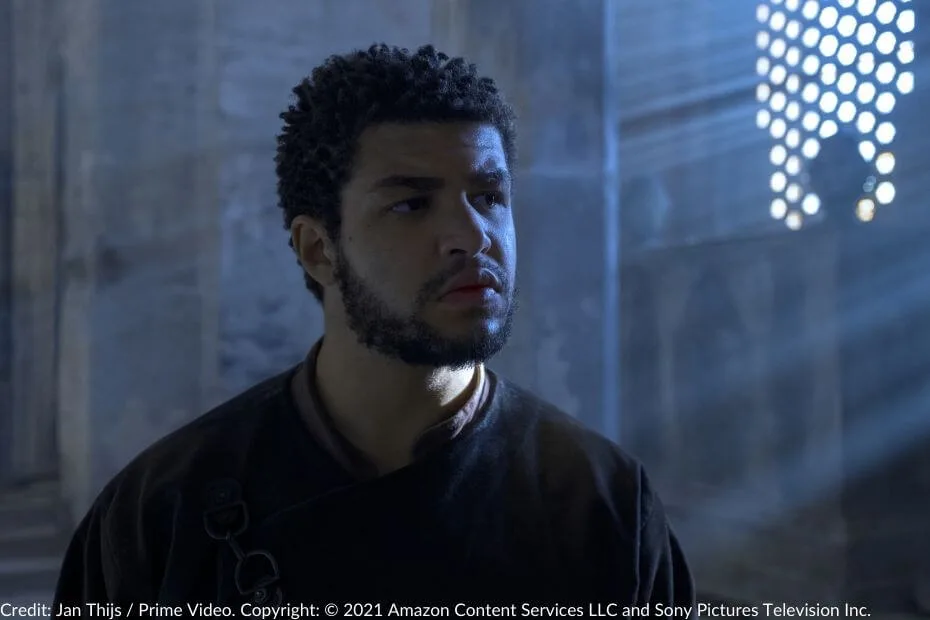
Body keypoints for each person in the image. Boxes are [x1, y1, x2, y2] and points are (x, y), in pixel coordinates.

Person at [52, 43, 695, 611]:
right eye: (412, 203)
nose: (472, 237)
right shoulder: (161, 513)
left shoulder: (603, 503)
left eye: (489, 197)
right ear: (317, 250)